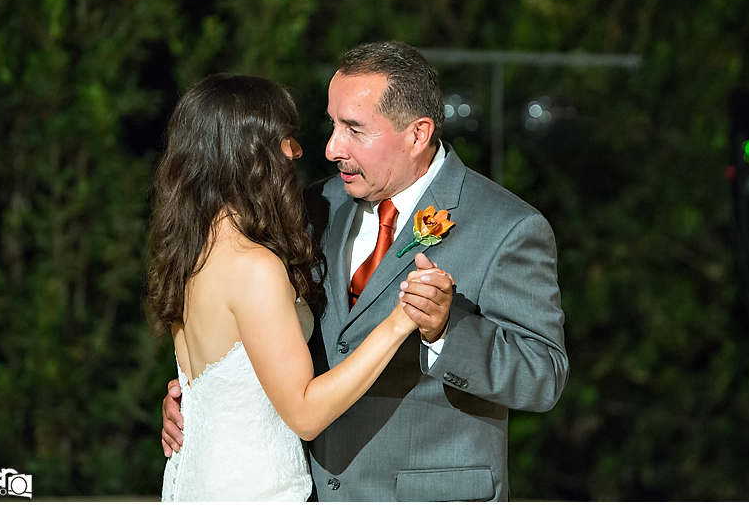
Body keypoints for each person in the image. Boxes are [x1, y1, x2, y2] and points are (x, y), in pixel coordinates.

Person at [162, 42, 569, 501]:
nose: (332, 147)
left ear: (417, 134)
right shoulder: (312, 208)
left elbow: (544, 375)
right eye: (333, 124)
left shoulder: (506, 226)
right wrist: (205, 401)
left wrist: (445, 334)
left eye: (354, 129)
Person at [148, 73, 452, 501]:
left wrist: (188, 403)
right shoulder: (254, 266)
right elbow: (305, 414)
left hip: (198, 476)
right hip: (256, 488)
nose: (297, 151)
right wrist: (400, 321)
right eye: (284, 137)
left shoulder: (192, 246)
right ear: (248, 150)